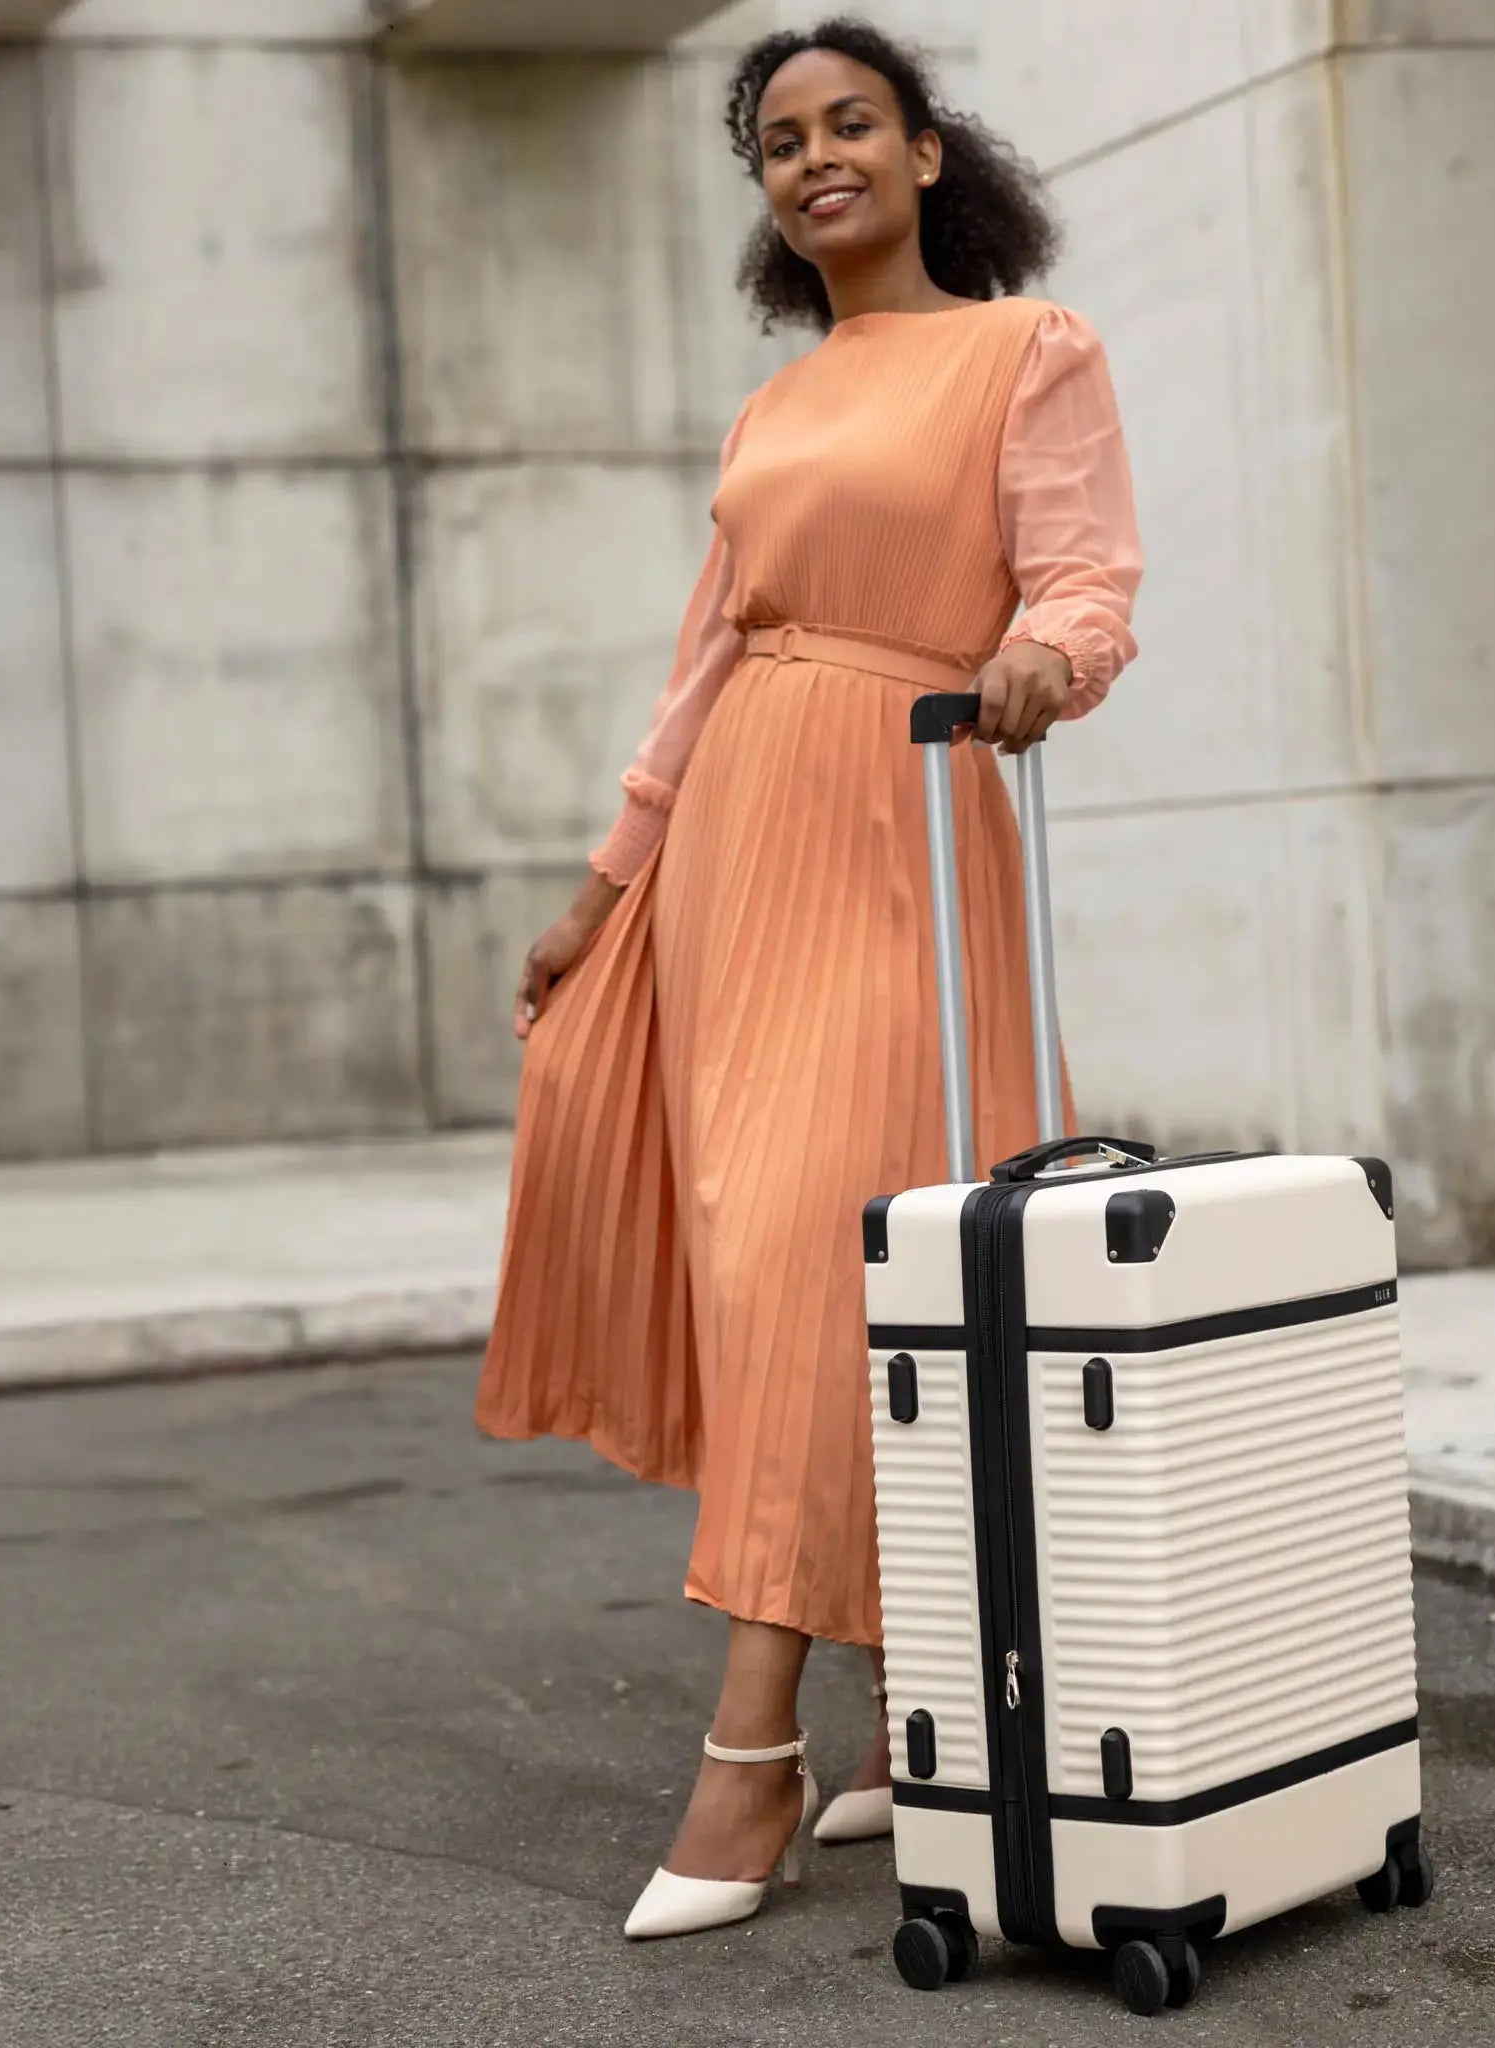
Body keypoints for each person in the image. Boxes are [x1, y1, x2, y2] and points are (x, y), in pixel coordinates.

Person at [474, 15, 1142, 1942]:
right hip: (736, 852)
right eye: (781, 139)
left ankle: (747, 1755)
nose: (817, 155)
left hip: (905, 828)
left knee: (820, 1255)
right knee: (776, 1255)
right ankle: (901, 1716)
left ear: (931, 153)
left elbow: (1086, 579)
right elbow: (701, 664)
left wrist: (1050, 663)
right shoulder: (776, 409)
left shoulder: (1031, 353)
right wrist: (607, 889)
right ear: (766, 190)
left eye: (854, 122)